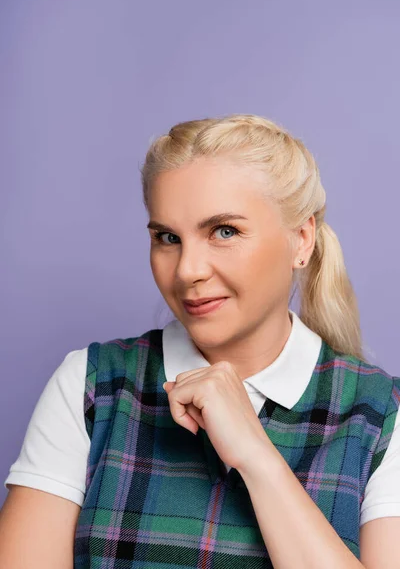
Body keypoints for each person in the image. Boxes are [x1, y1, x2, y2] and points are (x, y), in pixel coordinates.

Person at [0, 114, 399, 568]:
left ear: (301, 239)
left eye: (224, 231)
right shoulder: (91, 386)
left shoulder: (382, 414)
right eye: (167, 238)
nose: (188, 269)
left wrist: (255, 456)